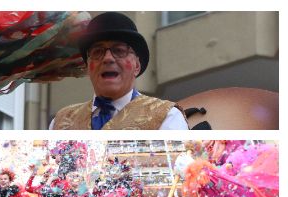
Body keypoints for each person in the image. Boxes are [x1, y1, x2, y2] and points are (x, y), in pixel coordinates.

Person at [50, 12, 188, 130]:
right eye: (98, 52)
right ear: (88, 67)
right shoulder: (60, 122)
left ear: (137, 66)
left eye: (119, 50)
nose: (108, 58)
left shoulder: (166, 116)